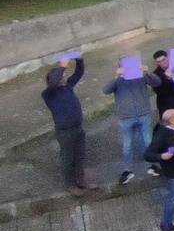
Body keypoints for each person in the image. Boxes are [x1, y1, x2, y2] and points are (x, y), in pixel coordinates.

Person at [42, 55, 97, 191]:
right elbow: (53, 83)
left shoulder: (68, 86)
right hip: (65, 132)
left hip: (78, 128)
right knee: (68, 159)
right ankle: (70, 185)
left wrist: (79, 60)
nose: (65, 78)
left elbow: (79, 73)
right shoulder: (48, 94)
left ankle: (81, 181)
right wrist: (62, 67)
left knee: (80, 157)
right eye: (62, 77)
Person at [102, 58, 161, 185]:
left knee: (148, 142)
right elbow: (106, 90)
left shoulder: (141, 77)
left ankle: (151, 165)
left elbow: (157, 82)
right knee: (127, 145)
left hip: (144, 115)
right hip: (126, 118)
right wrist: (116, 76)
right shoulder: (118, 80)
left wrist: (148, 72)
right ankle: (127, 170)